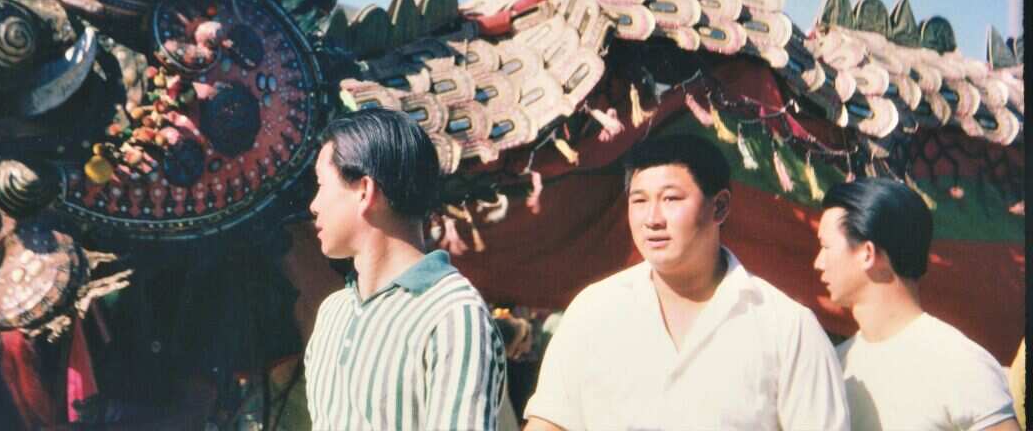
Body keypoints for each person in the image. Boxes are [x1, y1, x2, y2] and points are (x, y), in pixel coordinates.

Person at [524, 133, 849, 430]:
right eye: (639, 201)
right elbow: (549, 423)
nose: (652, 219)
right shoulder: (593, 312)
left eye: (671, 199)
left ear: (719, 206)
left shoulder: (787, 328)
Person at [304, 108, 507, 430]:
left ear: (364, 191)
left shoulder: (451, 313)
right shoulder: (334, 312)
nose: (313, 204)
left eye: (321, 185)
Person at [814, 178, 1018, 431]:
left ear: (867, 253)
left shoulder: (960, 363)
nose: (818, 263)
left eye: (825, 247)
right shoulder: (834, 366)